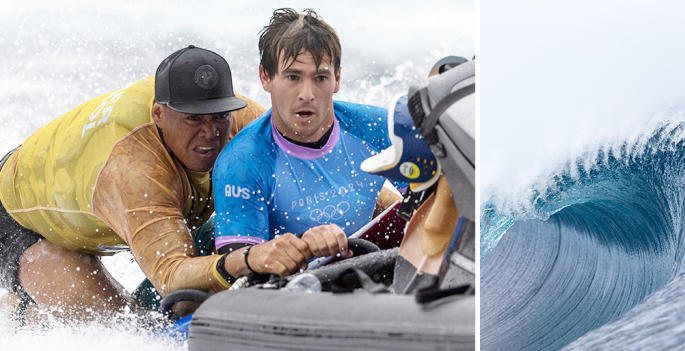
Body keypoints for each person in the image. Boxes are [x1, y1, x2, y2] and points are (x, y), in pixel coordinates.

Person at [0, 45, 282, 323]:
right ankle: (21, 312)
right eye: (193, 119)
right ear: (159, 115)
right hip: (17, 217)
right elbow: (172, 278)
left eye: (219, 115)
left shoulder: (245, 122)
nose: (210, 132)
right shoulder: (135, 170)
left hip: (82, 188)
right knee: (128, 324)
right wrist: (244, 261)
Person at [212, 9, 399, 269]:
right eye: (293, 77)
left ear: (337, 79)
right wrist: (301, 245)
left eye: (320, 77)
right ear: (266, 77)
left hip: (376, 271)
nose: (307, 94)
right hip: (293, 292)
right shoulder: (242, 161)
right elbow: (240, 274)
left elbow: (437, 200)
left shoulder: (377, 127)